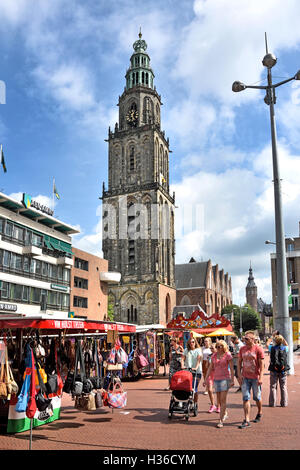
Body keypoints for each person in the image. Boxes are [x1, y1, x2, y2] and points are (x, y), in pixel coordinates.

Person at [204, 340, 234, 428]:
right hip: (216, 379)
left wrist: (232, 380)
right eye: (217, 346)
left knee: (223, 400)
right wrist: (206, 379)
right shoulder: (213, 356)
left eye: (220, 346)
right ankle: (224, 413)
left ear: (224, 347)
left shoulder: (228, 355)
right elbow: (210, 368)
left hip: (225, 379)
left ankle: (220, 420)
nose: (218, 348)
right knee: (219, 401)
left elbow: (232, 369)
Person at [237, 330, 265, 429]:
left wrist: (261, 377)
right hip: (245, 377)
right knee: (246, 398)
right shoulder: (242, 349)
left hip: (255, 377)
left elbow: (262, 366)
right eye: (244, 338)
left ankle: (259, 411)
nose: (245, 340)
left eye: (247, 338)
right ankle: (247, 419)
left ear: (253, 339)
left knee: (257, 397)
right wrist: (239, 375)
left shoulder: (258, 349)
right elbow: (239, 362)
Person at [268, 334, 289, 407]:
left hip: (273, 369)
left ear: (275, 341)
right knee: (283, 387)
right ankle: (284, 403)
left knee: (273, 386)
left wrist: (272, 337)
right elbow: (287, 344)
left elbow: (267, 343)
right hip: (283, 370)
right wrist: (282, 338)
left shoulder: (272, 348)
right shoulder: (285, 348)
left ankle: (272, 403)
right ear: (281, 341)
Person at [183, 337, 203, 406]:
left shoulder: (198, 350)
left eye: (193, 342)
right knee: (188, 387)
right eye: (190, 342)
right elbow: (182, 358)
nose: (191, 343)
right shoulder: (186, 350)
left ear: (195, 343)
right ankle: (190, 401)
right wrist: (182, 365)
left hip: (197, 371)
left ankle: (195, 403)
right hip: (188, 371)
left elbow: (199, 359)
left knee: (194, 387)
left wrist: (196, 367)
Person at [204, 342, 221, 413]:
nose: (211, 349)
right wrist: (208, 364)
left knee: (218, 391)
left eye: (212, 348)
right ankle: (212, 404)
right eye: (210, 348)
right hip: (210, 375)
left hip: (217, 374)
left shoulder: (219, 356)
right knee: (210, 390)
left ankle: (219, 406)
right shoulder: (209, 356)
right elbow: (207, 366)